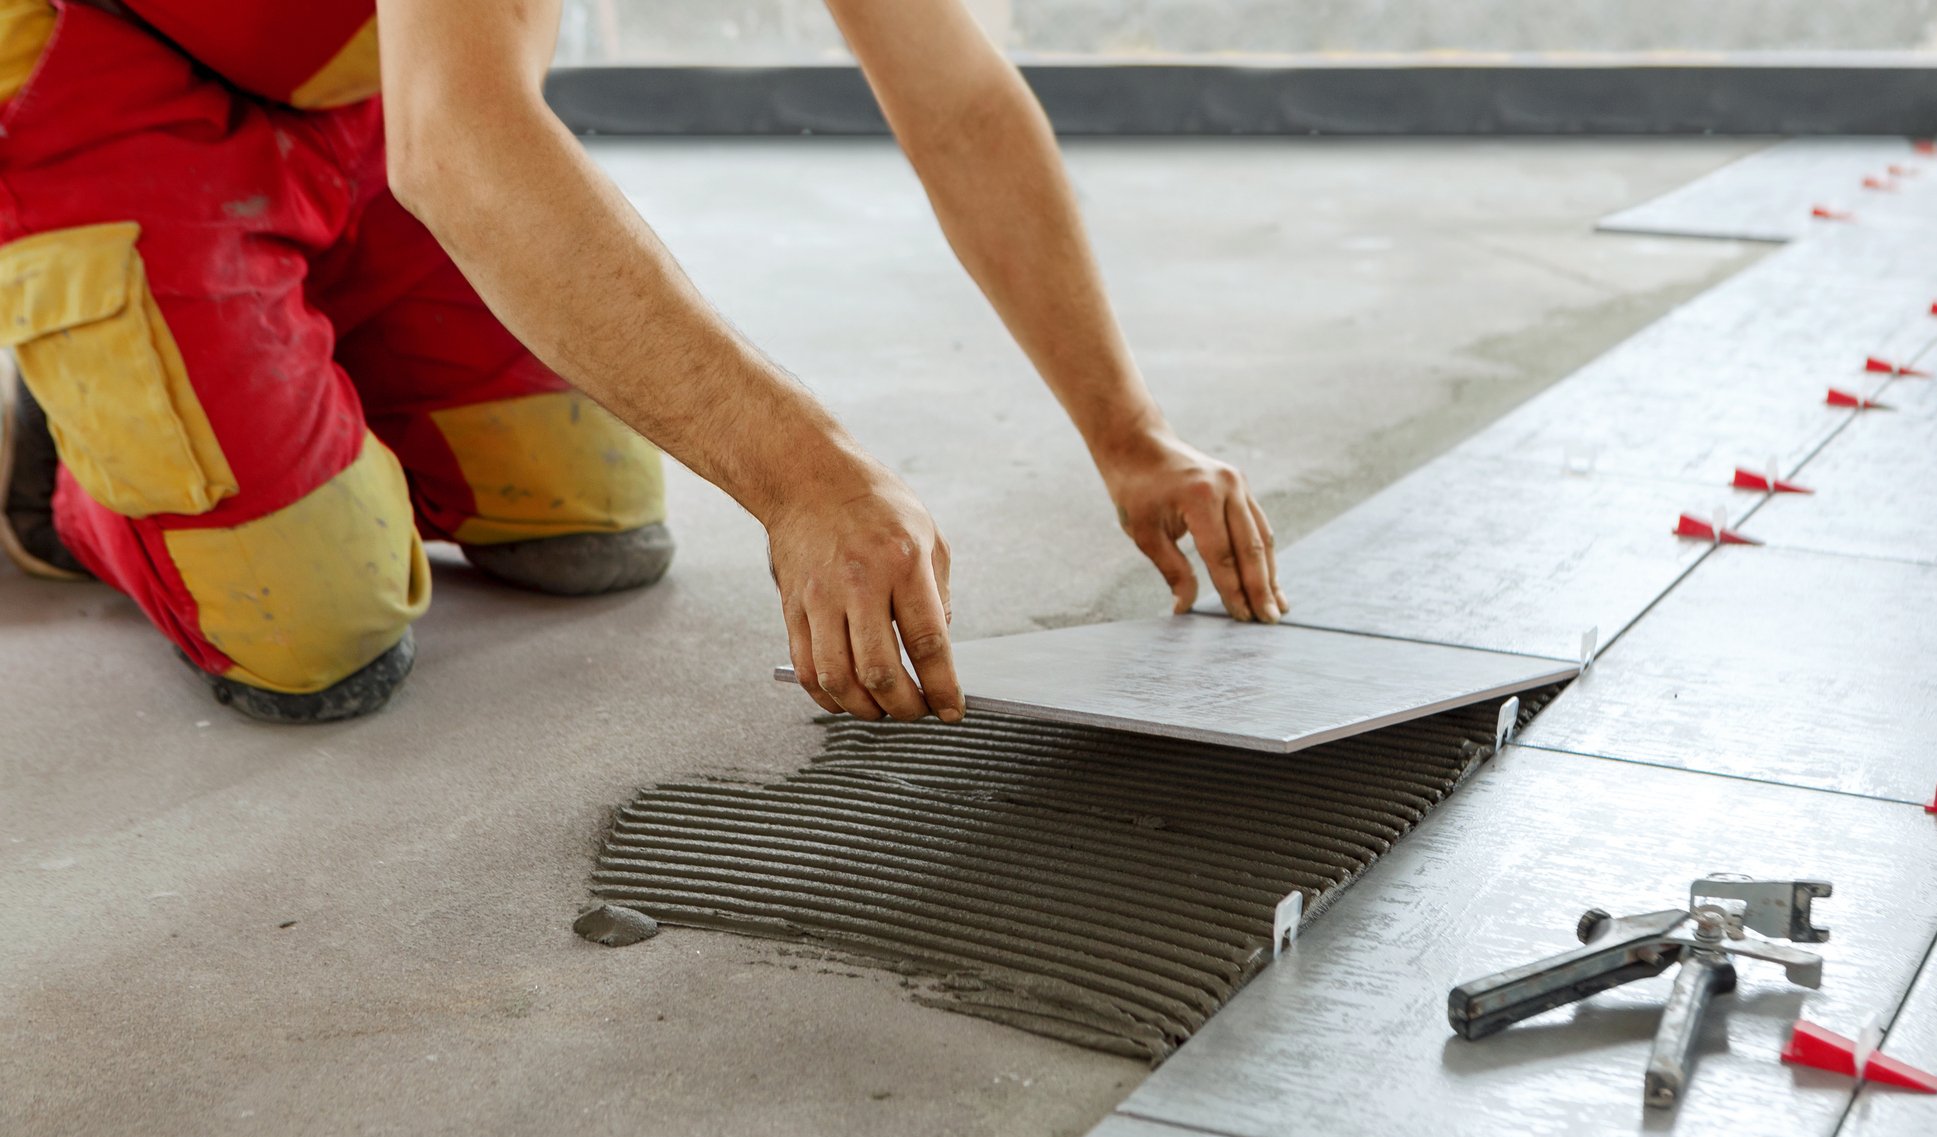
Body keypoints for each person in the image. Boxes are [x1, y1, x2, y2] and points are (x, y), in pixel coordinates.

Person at [0, 0, 1285, 724]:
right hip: (94, 66)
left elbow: (953, 97)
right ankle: (65, 471)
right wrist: (805, 476)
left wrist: (1128, 431)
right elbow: (458, 150)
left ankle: (271, 332)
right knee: (317, 629)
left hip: (356, 74)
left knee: (586, 518)